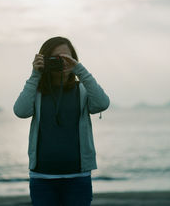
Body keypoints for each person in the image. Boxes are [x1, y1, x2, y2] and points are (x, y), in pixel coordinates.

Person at [13, 36, 110, 206]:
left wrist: (80, 70)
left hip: (78, 178)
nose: (62, 62)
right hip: (42, 178)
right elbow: (20, 111)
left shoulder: (82, 90)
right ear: (45, 60)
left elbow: (102, 103)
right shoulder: (37, 92)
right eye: (56, 58)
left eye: (67, 57)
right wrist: (36, 74)